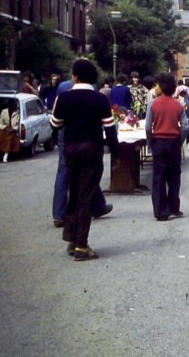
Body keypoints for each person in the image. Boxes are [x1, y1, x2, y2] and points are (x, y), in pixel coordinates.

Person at [51, 59, 120, 261]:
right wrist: (115, 154)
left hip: (71, 149)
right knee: (86, 195)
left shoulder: (64, 98)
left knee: (74, 192)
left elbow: (55, 124)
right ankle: (82, 245)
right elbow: (110, 129)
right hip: (92, 149)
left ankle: (73, 239)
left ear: (75, 76)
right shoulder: (99, 99)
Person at [51, 75, 113, 228]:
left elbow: (55, 115)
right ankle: (84, 215)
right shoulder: (92, 92)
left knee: (65, 171)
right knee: (87, 171)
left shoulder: (62, 88)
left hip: (66, 133)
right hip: (86, 135)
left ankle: (60, 213)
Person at [145, 73, 185, 221]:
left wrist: (151, 141)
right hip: (174, 141)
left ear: (161, 87)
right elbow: (185, 126)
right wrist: (180, 141)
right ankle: (174, 207)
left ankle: (161, 210)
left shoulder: (153, 104)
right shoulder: (178, 104)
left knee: (159, 176)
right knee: (174, 176)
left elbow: (148, 127)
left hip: (159, 141)